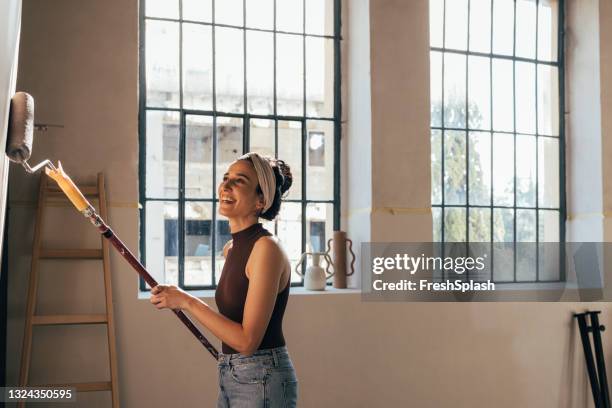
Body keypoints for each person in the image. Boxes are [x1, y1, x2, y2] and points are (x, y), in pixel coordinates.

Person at [149, 152, 298, 407]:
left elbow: (246, 342)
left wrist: (186, 300)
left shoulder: (266, 249)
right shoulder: (233, 248)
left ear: (260, 200)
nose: (225, 186)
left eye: (239, 181)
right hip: (233, 374)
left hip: (261, 378)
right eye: (225, 178)